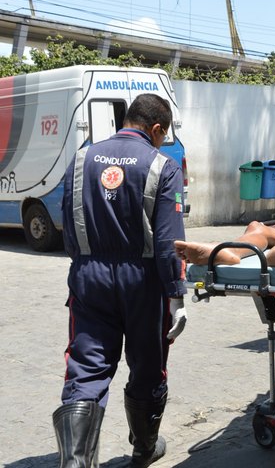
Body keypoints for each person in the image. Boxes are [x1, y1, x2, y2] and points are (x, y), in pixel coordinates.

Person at [53, 93, 187, 468]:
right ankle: (144, 447)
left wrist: (86, 266)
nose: (163, 142)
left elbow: (68, 225)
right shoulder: (163, 165)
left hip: (88, 276)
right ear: (156, 128)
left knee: (86, 366)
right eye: (163, 135)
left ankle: (76, 462)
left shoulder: (81, 158)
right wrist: (176, 294)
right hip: (142, 280)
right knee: (147, 364)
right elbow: (167, 242)